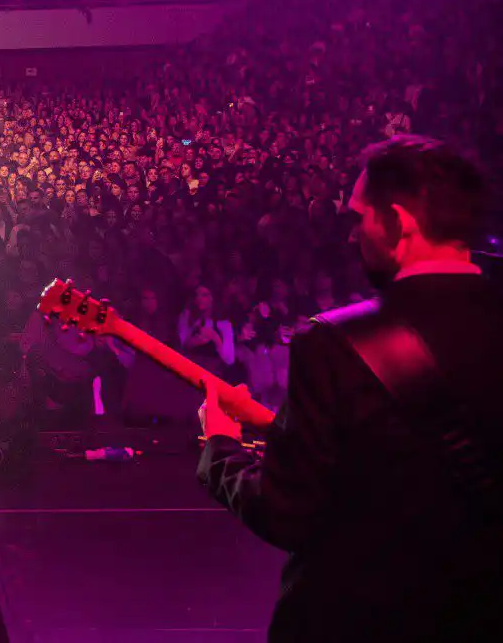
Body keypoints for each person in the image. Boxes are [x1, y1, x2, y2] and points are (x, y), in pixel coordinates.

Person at [198, 136, 502, 641]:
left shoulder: (333, 344)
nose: (351, 234)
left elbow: (285, 513)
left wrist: (220, 447)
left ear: (397, 222)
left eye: (358, 218)